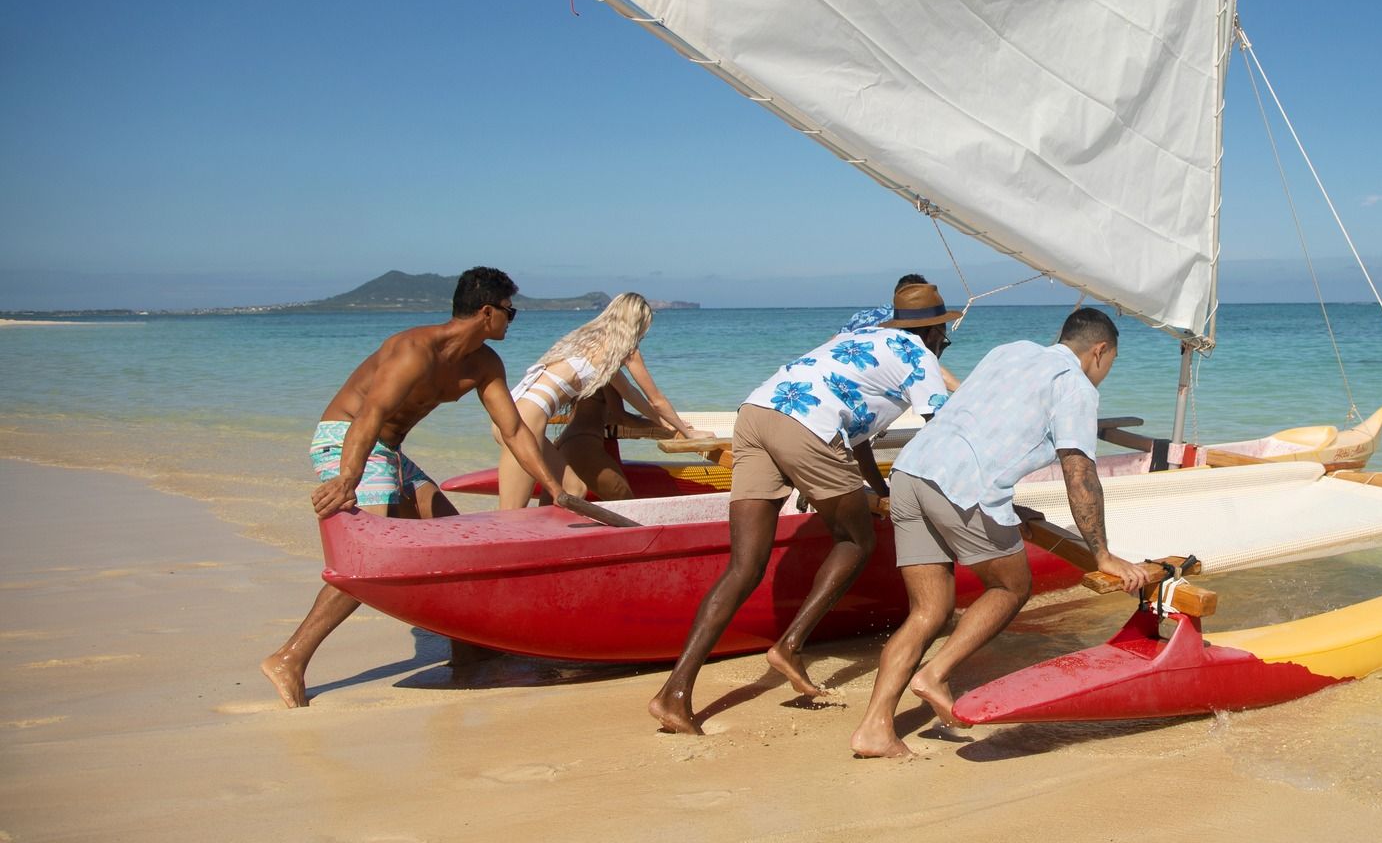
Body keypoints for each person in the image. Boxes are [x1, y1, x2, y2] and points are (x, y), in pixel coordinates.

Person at [647, 279, 959, 733]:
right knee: (856, 540)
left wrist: (882, 490)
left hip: (755, 414)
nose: (943, 345)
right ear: (931, 333)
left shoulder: (857, 338)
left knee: (744, 566)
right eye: (944, 337)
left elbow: (860, 444)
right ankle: (790, 646)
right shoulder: (918, 355)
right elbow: (942, 429)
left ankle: (674, 693)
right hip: (806, 425)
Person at [262, 267, 570, 708]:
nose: (511, 320)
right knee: (370, 562)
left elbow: (516, 431)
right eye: (510, 311)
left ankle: (466, 648)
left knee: (453, 540)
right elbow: (370, 415)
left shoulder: (484, 363)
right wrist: (348, 477)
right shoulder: (413, 351)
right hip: (346, 440)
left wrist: (555, 489)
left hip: (389, 453)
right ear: (487, 312)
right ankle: (289, 658)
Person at [851, 306, 1145, 759]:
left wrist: (1002, 501)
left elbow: (984, 422)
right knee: (1011, 585)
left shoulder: (1010, 351)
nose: (1105, 373)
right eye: (1110, 364)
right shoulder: (1075, 385)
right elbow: (1079, 470)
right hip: (962, 486)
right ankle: (934, 673)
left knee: (927, 612)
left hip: (911, 472)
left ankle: (874, 728)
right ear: (1100, 351)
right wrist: (1103, 554)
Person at [495, 292, 707, 510]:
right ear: (637, 323)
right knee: (511, 515)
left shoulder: (591, 342)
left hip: (512, 413)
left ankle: (550, 540)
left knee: (574, 490)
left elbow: (630, 393)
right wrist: (688, 433)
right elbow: (656, 400)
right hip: (524, 422)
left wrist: (665, 424)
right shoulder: (627, 351)